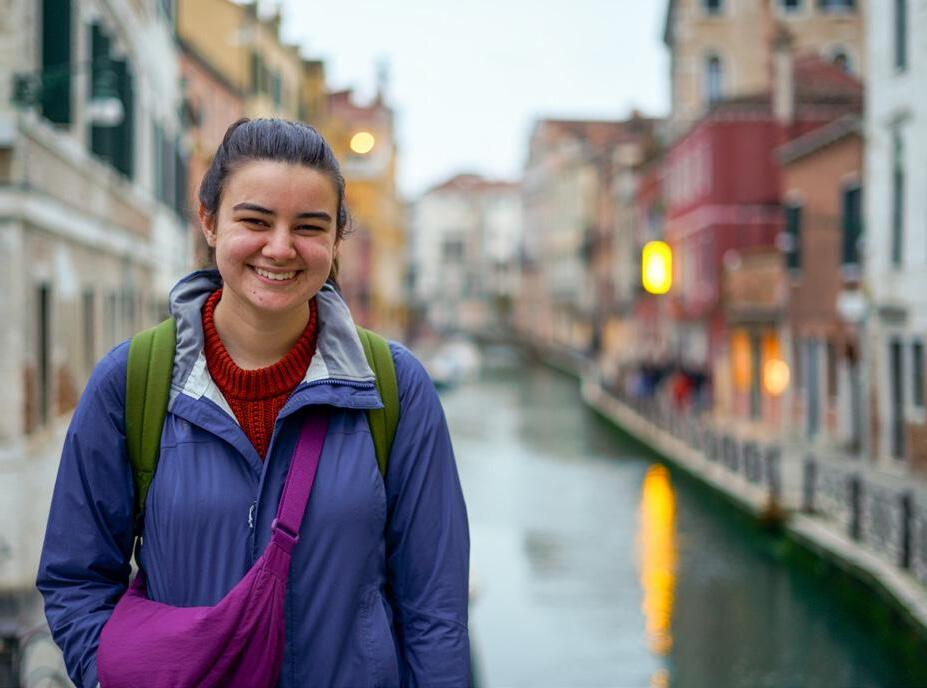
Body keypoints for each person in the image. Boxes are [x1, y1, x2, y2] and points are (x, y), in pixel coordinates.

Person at [36, 118, 471, 688]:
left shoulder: (396, 387)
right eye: (256, 221)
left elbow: (435, 609)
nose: (281, 248)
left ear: (336, 239)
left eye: (309, 227)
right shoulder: (129, 382)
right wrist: (108, 675)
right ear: (209, 221)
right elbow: (76, 578)